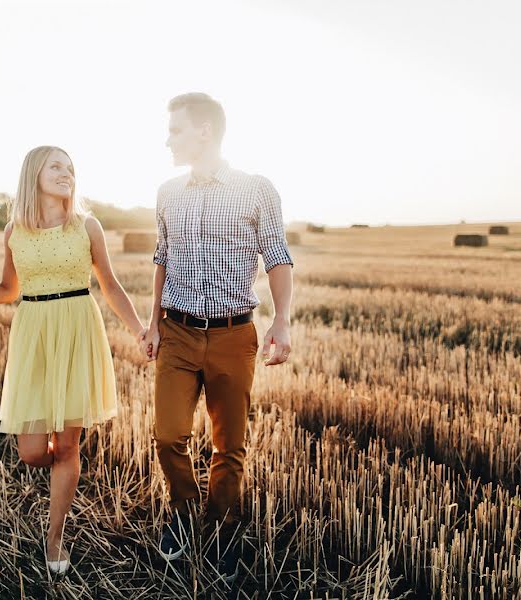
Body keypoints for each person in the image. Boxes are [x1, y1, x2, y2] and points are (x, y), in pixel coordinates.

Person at [0, 146, 146, 576]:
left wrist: (141, 330)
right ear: (34, 174)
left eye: (70, 168)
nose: (66, 173)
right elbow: (8, 289)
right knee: (33, 453)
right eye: (56, 166)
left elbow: (109, 285)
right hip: (34, 333)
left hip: (76, 330)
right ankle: (58, 472)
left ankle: (55, 537)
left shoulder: (87, 226)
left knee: (67, 445)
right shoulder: (15, 230)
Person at [140, 93, 294, 583]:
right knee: (168, 436)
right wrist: (152, 321)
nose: (168, 140)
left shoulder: (256, 189)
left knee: (230, 446)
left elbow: (277, 255)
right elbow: (163, 256)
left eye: (176, 131)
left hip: (233, 335)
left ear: (204, 131)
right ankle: (185, 517)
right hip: (178, 332)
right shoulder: (167, 192)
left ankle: (224, 528)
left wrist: (283, 319)